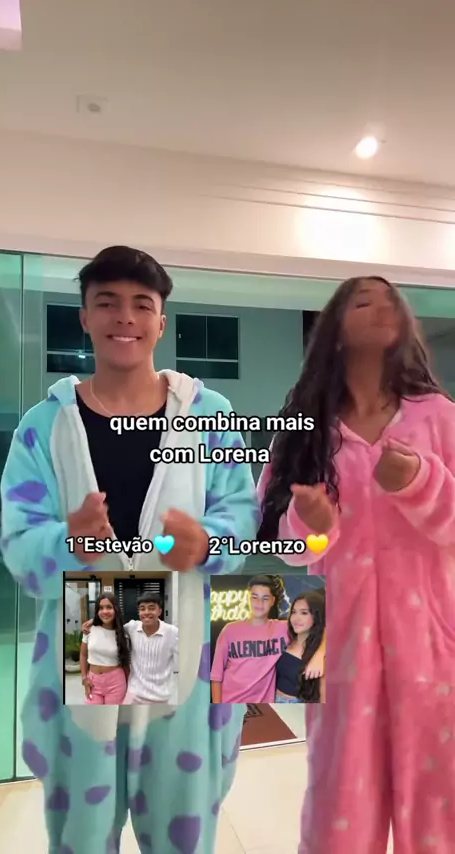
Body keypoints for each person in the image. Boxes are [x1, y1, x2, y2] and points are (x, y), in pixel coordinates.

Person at [0, 245, 259, 854]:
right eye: (107, 303)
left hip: (183, 630)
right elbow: (19, 541)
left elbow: (242, 514)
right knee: (84, 829)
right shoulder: (44, 426)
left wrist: (208, 543)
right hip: (86, 623)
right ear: (85, 318)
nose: (125, 317)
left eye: (142, 305)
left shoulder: (210, 415)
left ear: (161, 322)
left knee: (181, 822)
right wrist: (71, 543)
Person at [257, 275, 455, 854]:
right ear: (335, 329)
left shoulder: (440, 418)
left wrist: (420, 483)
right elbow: (284, 546)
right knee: (340, 807)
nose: (383, 306)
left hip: (434, 650)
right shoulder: (304, 433)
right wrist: (312, 526)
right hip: (338, 653)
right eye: (364, 300)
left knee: (440, 808)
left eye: (391, 299)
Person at [210, 575, 325, 703]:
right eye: (254, 597)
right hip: (231, 703)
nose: (259, 603)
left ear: (272, 601)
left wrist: (320, 654)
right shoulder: (230, 630)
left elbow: (325, 627)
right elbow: (216, 676)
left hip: (266, 705)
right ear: (248, 598)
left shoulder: (285, 628)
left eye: (265, 598)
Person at [83, 592, 179, 705]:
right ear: (138, 612)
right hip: (134, 693)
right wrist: (93, 621)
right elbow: (110, 624)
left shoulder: (172, 632)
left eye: (151, 608)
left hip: (160, 697)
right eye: (142, 609)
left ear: (160, 611)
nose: (146, 612)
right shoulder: (132, 628)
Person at [275, 590, 326, 704]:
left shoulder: (319, 655)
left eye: (304, 613)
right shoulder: (285, 636)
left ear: (316, 616)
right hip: (269, 700)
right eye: (294, 612)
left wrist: (320, 654)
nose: (296, 618)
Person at [80, 593, 131, 705]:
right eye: (101, 608)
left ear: (116, 609)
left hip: (116, 682)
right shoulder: (89, 629)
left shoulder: (123, 633)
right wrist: (84, 678)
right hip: (93, 682)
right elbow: (83, 654)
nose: (105, 611)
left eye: (109, 607)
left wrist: (129, 686)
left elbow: (125, 663)